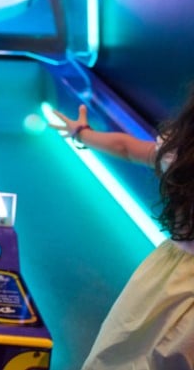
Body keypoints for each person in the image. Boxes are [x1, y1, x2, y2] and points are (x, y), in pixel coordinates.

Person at [52, 94, 194, 369]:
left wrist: (82, 134)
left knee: (127, 355)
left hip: (169, 279)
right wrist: (83, 134)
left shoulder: (183, 154)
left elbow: (128, 148)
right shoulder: (183, 154)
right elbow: (128, 147)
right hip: (171, 277)